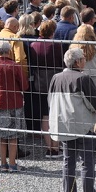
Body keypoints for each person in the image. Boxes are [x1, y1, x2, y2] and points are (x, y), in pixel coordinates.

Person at [49, 47, 96, 192]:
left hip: (64, 126)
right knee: (87, 163)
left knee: (69, 162)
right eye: (82, 59)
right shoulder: (83, 79)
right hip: (83, 126)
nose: (84, 61)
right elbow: (95, 103)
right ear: (77, 62)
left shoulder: (56, 78)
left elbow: (50, 101)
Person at [0, 40, 29, 172]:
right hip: (14, 102)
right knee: (13, 135)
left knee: (1, 135)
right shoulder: (14, 66)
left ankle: (3, 163)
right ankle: (13, 163)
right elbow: (24, 85)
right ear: (9, 51)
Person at [30, 20, 62, 156]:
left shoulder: (33, 44)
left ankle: (50, 147)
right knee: (56, 114)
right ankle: (56, 145)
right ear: (52, 31)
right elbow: (61, 62)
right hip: (54, 82)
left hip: (40, 82)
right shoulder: (56, 45)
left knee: (45, 115)